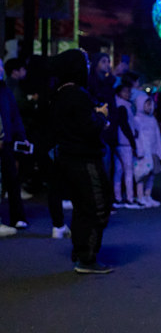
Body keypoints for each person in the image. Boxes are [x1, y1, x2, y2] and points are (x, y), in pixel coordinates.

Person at [49, 50, 114, 273]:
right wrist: (102, 115)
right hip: (85, 159)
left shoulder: (59, 93)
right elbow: (90, 127)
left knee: (82, 208)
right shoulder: (76, 94)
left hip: (69, 158)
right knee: (97, 207)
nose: (88, 67)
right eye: (85, 63)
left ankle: (81, 250)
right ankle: (87, 257)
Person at [0, 58, 29, 230]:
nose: (1, 69)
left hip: (6, 142)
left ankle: (17, 217)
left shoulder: (5, 90)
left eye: (1, 66)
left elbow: (15, 115)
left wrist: (22, 136)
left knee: (12, 180)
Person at [112, 77, 142, 209]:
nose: (128, 94)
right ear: (119, 93)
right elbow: (125, 126)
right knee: (128, 171)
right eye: (126, 92)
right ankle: (129, 198)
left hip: (117, 142)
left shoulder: (117, 104)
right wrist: (132, 141)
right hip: (125, 143)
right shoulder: (124, 106)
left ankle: (117, 197)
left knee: (118, 171)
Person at [134, 93, 161, 207]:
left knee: (152, 175)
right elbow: (136, 137)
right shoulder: (136, 120)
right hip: (143, 152)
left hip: (153, 152)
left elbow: (157, 136)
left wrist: (160, 152)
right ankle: (140, 196)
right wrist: (139, 150)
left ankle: (148, 195)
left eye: (150, 104)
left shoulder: (153, 120)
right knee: (142, 175)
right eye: (146, 104)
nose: (149, 107)